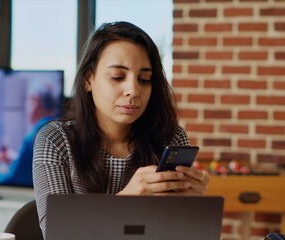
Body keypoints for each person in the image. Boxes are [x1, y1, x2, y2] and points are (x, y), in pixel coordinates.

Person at [32, 21, 210, 237]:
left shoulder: (170, 138)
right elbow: (56, 234)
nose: (133, 90)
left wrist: (192, 209)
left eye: (144, 79)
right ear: (88, 80)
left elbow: (177, 233)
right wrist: (129, 198)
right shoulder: (56, 140)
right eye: (118, 76)